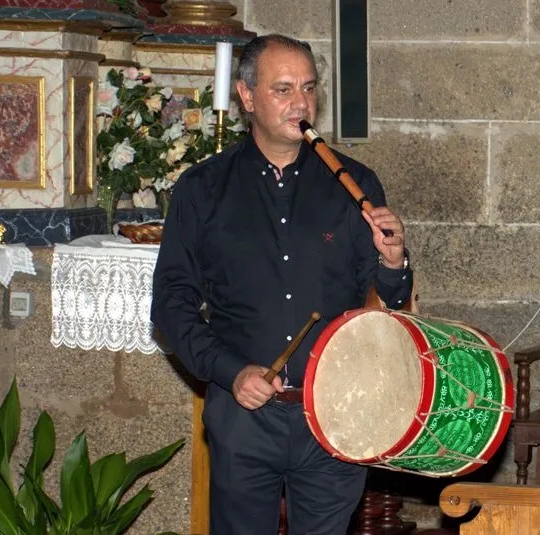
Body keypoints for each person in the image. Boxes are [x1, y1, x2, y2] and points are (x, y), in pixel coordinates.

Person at [151, 33, 414, 534]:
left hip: (334, 413)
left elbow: (389, 304)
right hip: (244, 418)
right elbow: (170, 306)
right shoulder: (203, 188)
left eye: (310, 89)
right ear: (247, 97)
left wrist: (395, 263)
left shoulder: (354, 185)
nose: (302, 104)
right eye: (284, 89)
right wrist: (231, 372)